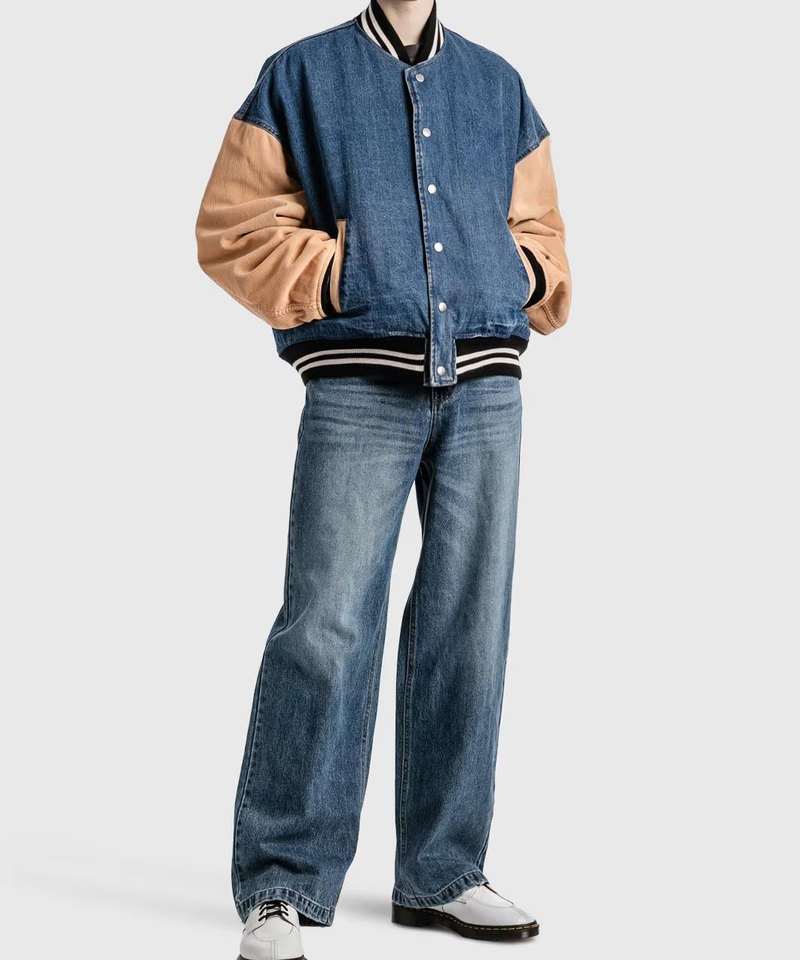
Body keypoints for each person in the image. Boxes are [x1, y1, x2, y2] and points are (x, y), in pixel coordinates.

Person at [196, 2, 571, 956]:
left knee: (469, 628)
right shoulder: (300, 74)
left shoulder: (498, 85)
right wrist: (348, 274)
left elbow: (543, 233)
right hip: (359, 385)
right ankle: (282, 882)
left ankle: (444, 871)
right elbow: (231, 227)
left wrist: (510, 275)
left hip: (487, 389)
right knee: (326, 626)